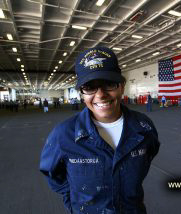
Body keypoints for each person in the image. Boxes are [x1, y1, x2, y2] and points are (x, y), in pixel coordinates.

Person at [39, 46, 160, 214]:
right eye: (90, 87)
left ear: (122, 86)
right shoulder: (64, 135)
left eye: (109, 84)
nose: (101, 94)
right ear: (81, 92)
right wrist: (74, 203)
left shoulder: (143, 127)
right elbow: (52, 174)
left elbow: (150, 153)